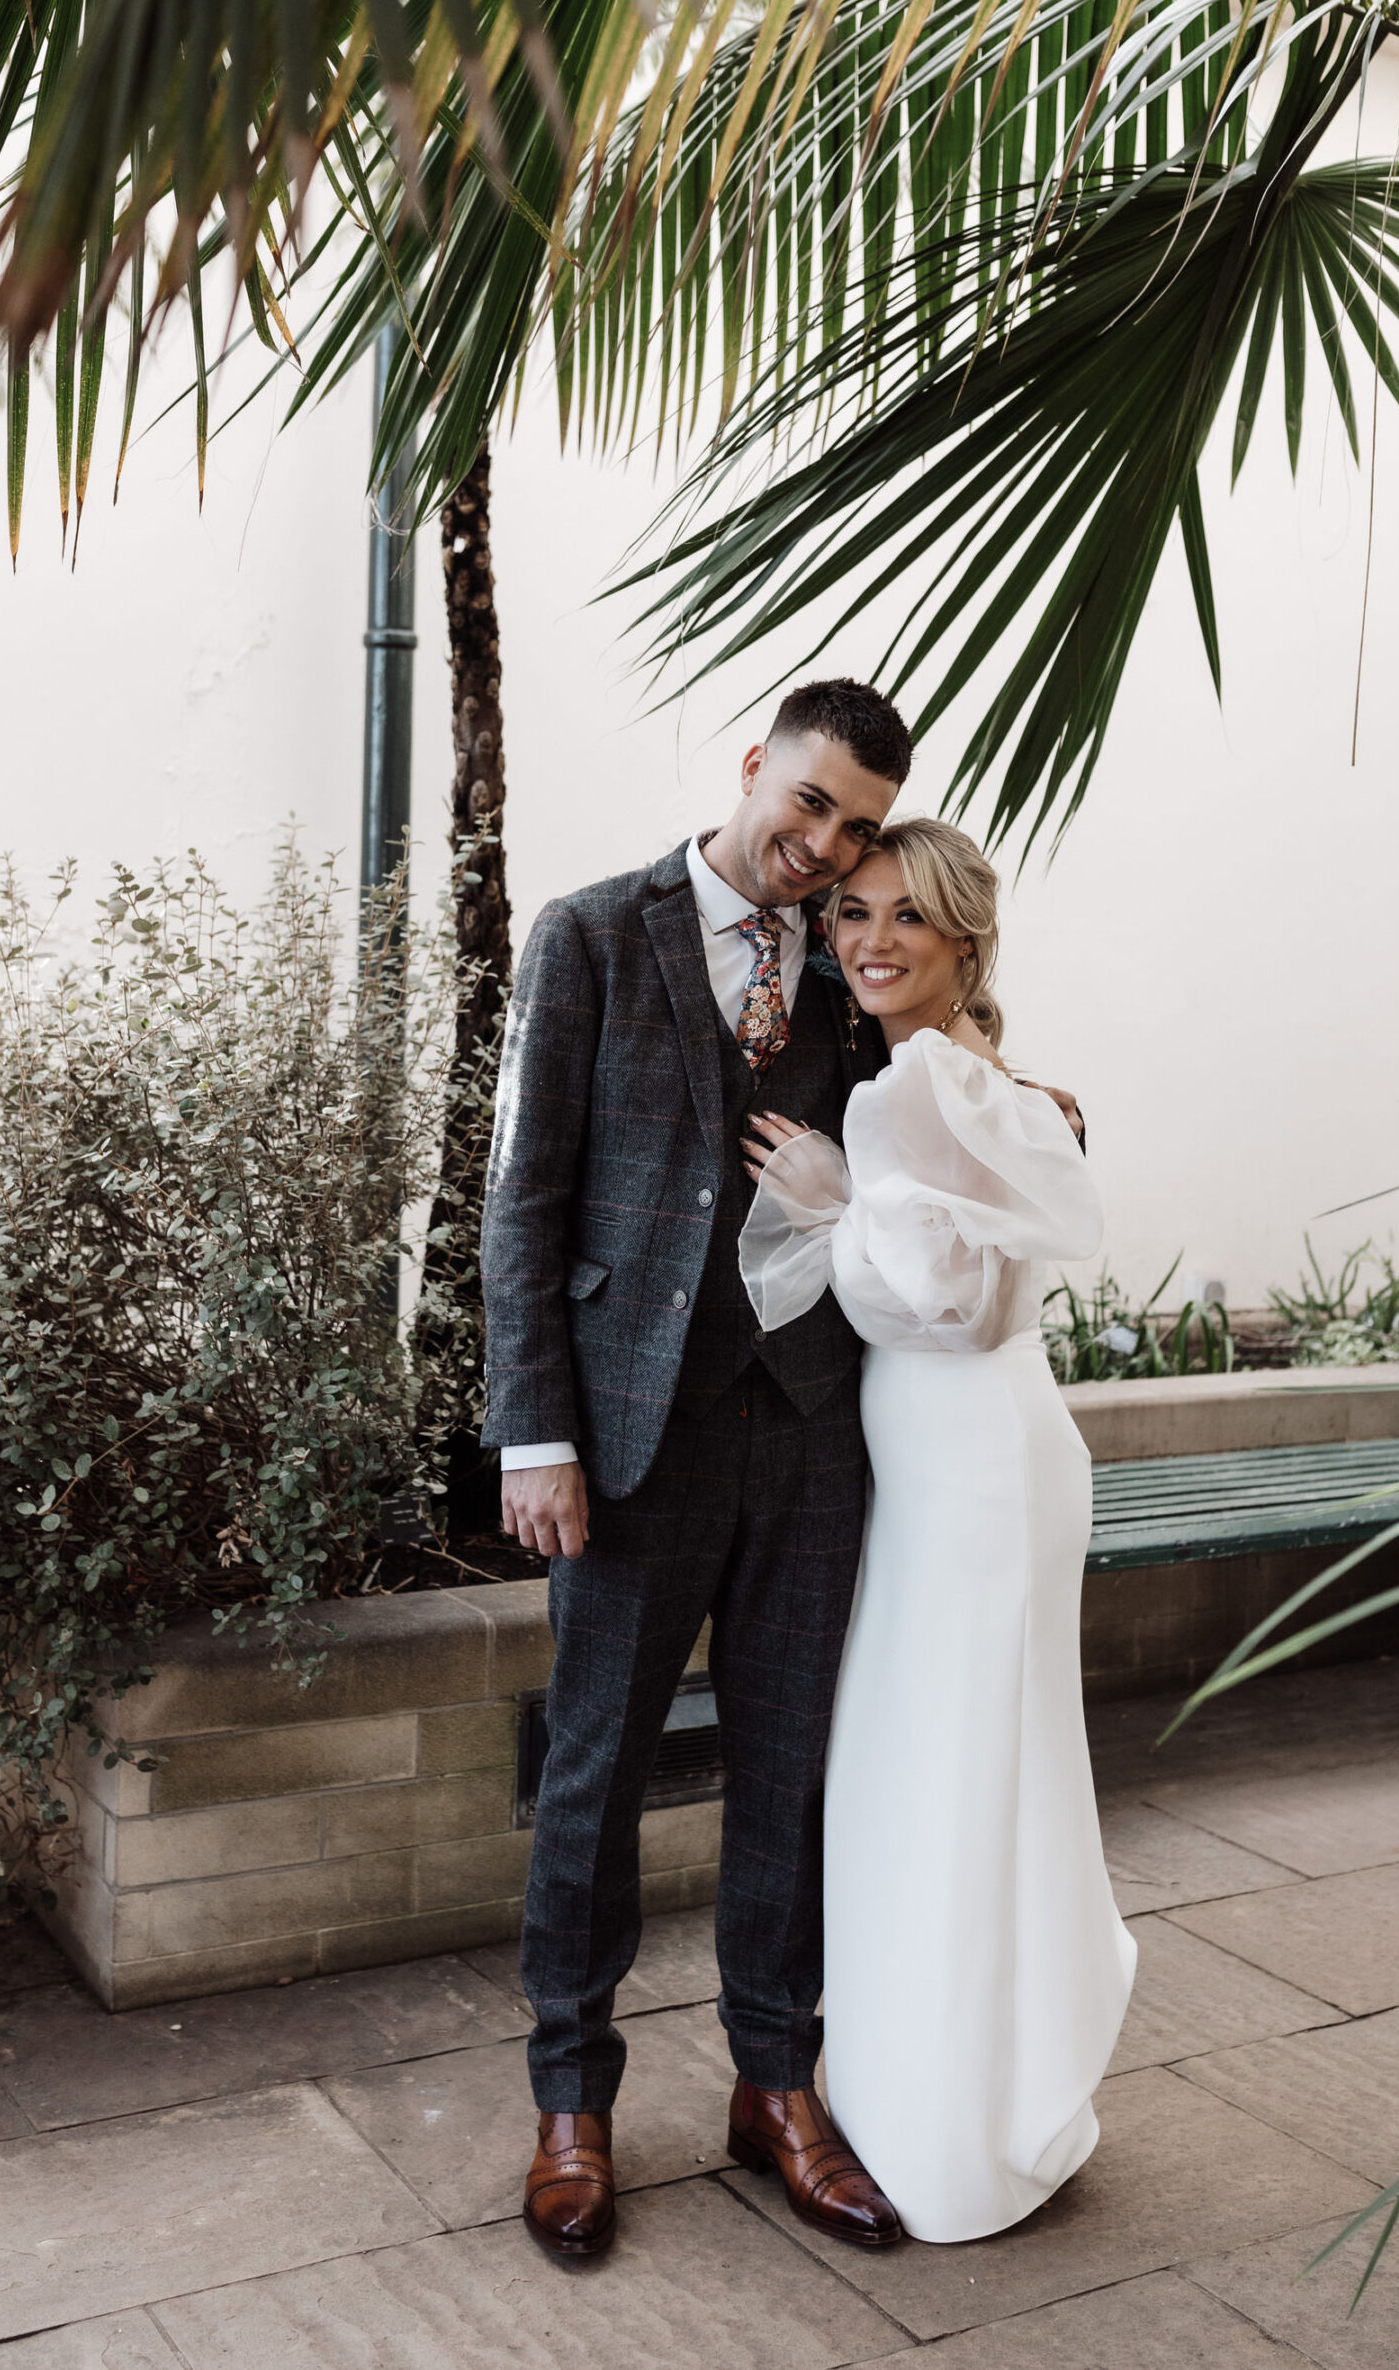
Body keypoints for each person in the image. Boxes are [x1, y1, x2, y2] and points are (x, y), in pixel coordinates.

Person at [481, 678, 914, 2264]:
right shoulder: (594, 934)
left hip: (811, 1427)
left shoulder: (860, 963)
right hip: (632, 1432)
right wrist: (538, 1432)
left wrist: (1023, 1100)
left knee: (789, 1766)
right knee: (592, 1775)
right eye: (809, 805)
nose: (825, 847)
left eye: (857, 826)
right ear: (755, 768)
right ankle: (571, 2105)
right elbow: (527, 1196)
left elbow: (928, 1109)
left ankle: (776, 2084)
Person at [739, 817, 1136, 2244]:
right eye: (849, 915)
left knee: (950, 1769)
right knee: (960, 1763)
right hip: (971, 1457)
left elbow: (960, 1311)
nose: (870, 941)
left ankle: (951, 2123)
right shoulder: (977, 1082)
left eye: (906, 915)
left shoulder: (921, 1095)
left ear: (967, 933)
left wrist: (836, 1207)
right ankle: (976, 2084)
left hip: (969, 1456)